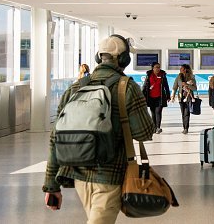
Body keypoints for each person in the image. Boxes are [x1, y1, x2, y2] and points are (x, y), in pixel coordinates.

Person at [43, 35, 154, 223]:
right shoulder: (127, 87)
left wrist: (51, 185)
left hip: (78, 175)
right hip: (109, 176)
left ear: (98, 57)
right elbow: (143, 132)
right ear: (124, 59)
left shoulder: (76, 88)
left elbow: (55, 138)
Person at [142, 62, 170, 134]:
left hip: (159, 97)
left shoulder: (162, 75)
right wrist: (142, 95)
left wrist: (168, 96)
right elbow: (145, 86)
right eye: (156, 67)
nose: (158, 69)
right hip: (151, 97)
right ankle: (154, 127)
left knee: (158, 112)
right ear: (153, 68)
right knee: (153, 113)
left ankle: (158, 127)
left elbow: (166, 86)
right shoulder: (149, 75)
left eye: (159, 67)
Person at [171, 64, 197, 134]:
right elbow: (175, 87)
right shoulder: (178, 77)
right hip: (181, 97)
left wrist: (187, 85)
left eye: (181, 68)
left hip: (188, 97)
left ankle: (186, 128)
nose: (180, 70)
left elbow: (195, 88)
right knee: (183, 113)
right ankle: (184, 127)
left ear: (185, 69)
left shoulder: (192, 77)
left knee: (186, 113)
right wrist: (172, 96)